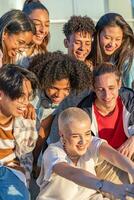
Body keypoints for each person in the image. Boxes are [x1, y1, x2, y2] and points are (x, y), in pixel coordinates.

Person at [36, 107, 134, 200]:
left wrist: (132, 169)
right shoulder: (53, 152)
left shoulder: (91, 142)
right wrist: (109, 187)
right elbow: (72, 173)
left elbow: (113, 155)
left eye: (87, 133)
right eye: (75, 136)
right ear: (62, 134)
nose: (83, 141)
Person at [28, 51, 92, 171]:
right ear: (44, 81)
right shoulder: (30, 95)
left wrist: (35, 161)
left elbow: (43, 131)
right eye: (53, 88)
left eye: (66, 89)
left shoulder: (56, 102)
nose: (59, 95)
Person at [78, 63, 134, 186]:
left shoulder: (129, 98)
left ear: (119, 84)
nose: (107, 95)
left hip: (129, 152)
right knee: (124, 192)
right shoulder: (85, 112)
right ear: (93, 88)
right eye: (101, 89)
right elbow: (88, 148)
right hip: (105, 160)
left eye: (111, 88)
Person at [0, 64, 38, 200]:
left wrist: (22, 177)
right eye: (20, 96)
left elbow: (26, 157)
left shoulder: (26, 120)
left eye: (28, 97)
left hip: (12, 173)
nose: (25, 102)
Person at [88, 12, 134, 88]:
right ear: (97, 34)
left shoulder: (127, 61)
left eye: (118, 39)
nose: (112, 44)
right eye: (107, 38)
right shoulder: (87, 55)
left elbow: (129, 94)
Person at [17, 0, 50, 68]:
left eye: (47, 25)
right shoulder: (10, 50)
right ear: (23, 22)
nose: (43, 30)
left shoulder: (43, 54)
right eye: (37, 24)